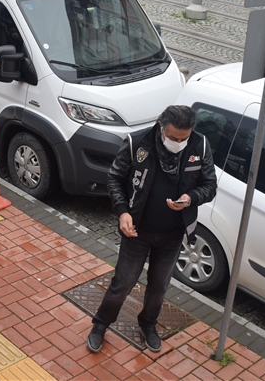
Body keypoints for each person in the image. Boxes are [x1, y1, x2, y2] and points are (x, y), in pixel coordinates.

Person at [86, 105, 218, 353]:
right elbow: (115, 177)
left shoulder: (200, 146)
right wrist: (123, 211)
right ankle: (100, 324)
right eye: (173, 137)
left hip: (173, 233)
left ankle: (148, 324)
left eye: (184, 138)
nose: (178, 143)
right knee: (123, 282)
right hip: (137, 231)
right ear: (161, 128)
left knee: (159, 286)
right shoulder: (137, 143)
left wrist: (190, 198)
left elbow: (209, 185)